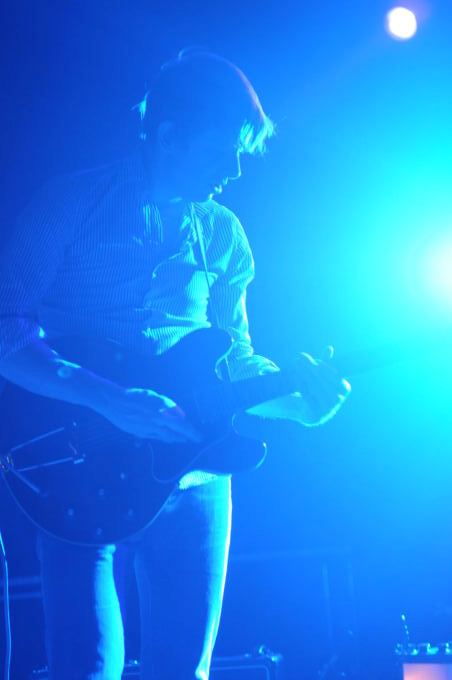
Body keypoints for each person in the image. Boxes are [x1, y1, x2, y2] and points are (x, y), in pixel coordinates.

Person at [0, 50, 350, 680]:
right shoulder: (71, 203)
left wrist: (298, 406)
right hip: (79, 467)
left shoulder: (223, 233)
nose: (236, 170)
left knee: (185, 673)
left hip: (196, 474)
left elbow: (233, 360)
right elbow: (5, 324)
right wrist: (107, 397)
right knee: (85, 669)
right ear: (168, 135)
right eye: (223, 151)